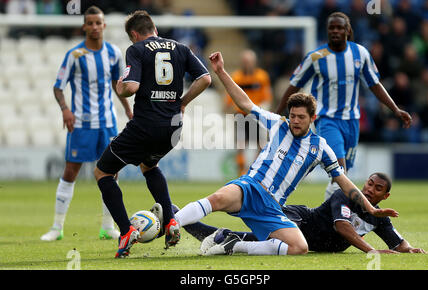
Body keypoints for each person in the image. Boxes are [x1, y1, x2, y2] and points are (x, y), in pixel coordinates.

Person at [173, 51, 398, 257]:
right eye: (293, 116)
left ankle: (235, 244)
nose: (295, 121)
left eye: (301, 117)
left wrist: (370, 209)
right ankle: (170, 224)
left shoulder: (320, 147)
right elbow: (245, 102)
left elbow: (343, 181)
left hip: (272, 206)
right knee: (218, 198)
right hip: (251, 187)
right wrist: (221, 71)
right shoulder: (278, 124)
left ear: (313, 118)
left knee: (299, 248)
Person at [93, 10, 211, 258]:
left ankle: (126, 232)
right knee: (149, 165)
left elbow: (131, 87)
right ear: (154, 28)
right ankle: (170, 221)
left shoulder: (137, 49)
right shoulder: (181, 47)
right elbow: (205, 78)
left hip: (145, 125)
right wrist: (183, 101)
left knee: (103, 171)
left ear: (134, 34)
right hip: (173, 127)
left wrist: (120, 86)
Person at [275, 12, 412, 200]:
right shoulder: (316, 57)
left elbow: (374, 85)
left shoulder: (360, 53)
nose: (335, 31)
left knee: (342, 174)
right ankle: (336, 216)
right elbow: (294, 85)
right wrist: (276, 114)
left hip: (352, 122)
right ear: (327, 30)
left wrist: (395, 109)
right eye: (332, 27)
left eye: (340, 27)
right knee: (339, 167)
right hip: (327, 119)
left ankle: (327, 211)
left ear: (348, 30)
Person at [40, 6, 133, 242]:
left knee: (111, 173)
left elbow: (118, 85)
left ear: (104, 25)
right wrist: (65, 110)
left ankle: (107, 226)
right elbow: (58, 86)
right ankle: (57, 227)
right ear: (84, 26)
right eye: (89, 23)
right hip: (81, 123)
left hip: (107, 123)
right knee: (71, 171)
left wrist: (128, 109)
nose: (94, 27)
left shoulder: (113, 53)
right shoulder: (74, 55)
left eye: (97, 23)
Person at [180, 173, 426, 255]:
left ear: (386, 196)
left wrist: (410, 249)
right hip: (301, 220)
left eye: (378, 188)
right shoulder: (344, 196)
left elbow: (397, 242)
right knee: (272, 242)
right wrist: (371, 250)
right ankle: (186, 220)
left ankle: (223, 238)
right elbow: (343, 227)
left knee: (263, 243)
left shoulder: (378, 217)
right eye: (370, 183)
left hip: (308, 238)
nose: (370, 189)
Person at [224, 49, 273, 176]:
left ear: (254, 62)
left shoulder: (261, 76)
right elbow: (230, 96)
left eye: (249, 61)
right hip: (241, 115)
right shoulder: (237, 77)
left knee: (261, 144)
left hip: (256, 114)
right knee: (240, 145)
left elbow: (267, 97)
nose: (247, 64)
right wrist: (226, 107)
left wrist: (264, 109)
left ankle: (254, 171)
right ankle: (241, 172)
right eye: (245, 61)